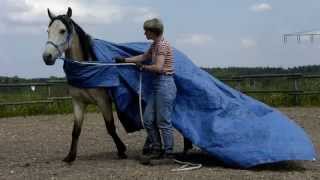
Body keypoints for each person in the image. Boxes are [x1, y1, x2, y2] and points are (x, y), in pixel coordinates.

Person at [114, 18, 176, 165]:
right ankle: (156, 149)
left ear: (153, 31)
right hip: (157, 85)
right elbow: (143, 57)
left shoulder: (161, 46)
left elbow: (159, 67)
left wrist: (143, 68)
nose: (144, 33)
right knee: (148, 119)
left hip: (165, 84)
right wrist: (124, 60)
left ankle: (168, 154)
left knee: (163, 121)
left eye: (146, 31)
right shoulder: (154, 45)